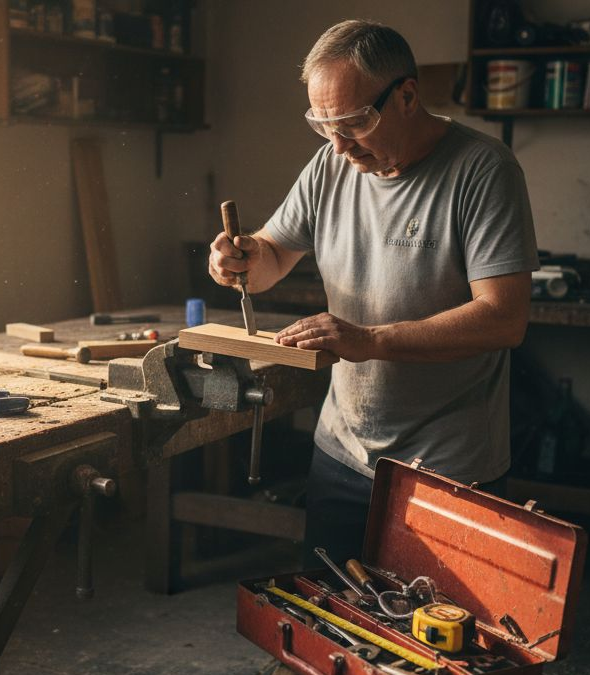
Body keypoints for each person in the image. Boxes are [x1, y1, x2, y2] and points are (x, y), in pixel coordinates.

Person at [207, 20, 538, 567]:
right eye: (323, 125)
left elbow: (505, 320)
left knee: (433, 638)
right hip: (343, 451)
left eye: (355, 122)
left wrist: (370, 339)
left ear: (407, 95)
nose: (338, 145)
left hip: (448, 464)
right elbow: (269, 257)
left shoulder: (483, 170)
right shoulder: (332, 164)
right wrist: (237, 259)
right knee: (335, 621)